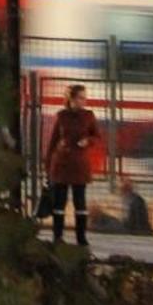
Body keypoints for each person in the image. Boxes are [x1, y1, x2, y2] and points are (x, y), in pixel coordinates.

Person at [43, 83, 101, 246]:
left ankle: (81, 237)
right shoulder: (61, 116)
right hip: (61, 164)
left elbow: (97, 136)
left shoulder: (89, 116)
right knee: (59, 202)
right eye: (81, 97)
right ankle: (57, 236)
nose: (84, 101)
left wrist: (88, 141)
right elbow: (53, 141)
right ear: (72, 99)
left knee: (80, 202)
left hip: (80, 164)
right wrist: (47, 165)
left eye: (85, 97)